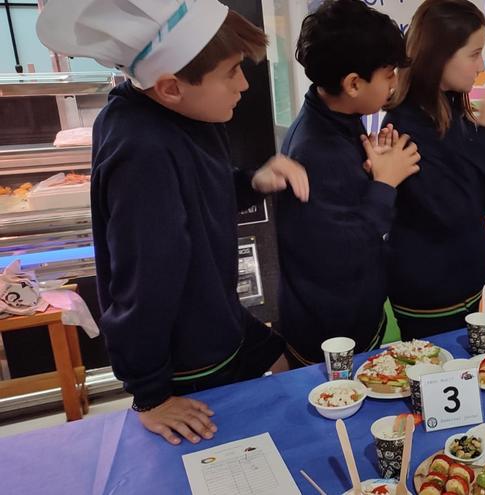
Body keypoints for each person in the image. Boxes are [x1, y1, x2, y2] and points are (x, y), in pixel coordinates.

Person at [36, 0, 309, 445]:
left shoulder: (187, 116)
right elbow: (142, 280)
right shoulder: (140, 150)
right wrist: (151, 394)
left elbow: (202, 193)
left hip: (219, 321)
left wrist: (251, 183)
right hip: (185, 360)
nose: (243, 84)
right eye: (231, 72)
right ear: (169, 87)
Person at [382, 0, 485, 339]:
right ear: (440, 54)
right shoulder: (404, 124)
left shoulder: (449, 109)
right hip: (429, 292)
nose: (480, 66)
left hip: (465, 284)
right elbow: (449, 209)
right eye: (474, 54)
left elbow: (475, 194)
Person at [276, 0, 420, 366]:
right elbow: (342, 251)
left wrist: (373, 171)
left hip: (356, 314)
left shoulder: (341, 116)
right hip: (329, 335)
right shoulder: (314, 150)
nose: (394, 84)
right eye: (388, 75)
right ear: (353, 83)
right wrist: (385, 183)